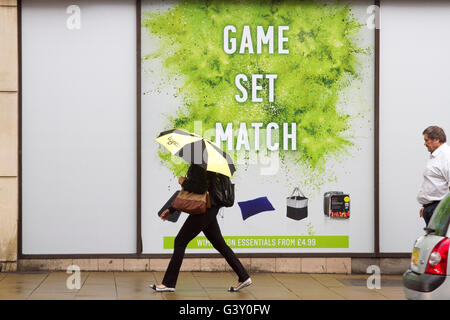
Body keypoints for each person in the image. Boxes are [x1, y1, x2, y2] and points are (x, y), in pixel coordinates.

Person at [151, 164, 251, 292]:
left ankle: (168, 283)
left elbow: (199, 188)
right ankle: (244, 276)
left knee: (180, 241)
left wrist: (183, 181)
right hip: (210, 209)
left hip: (204, 210)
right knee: (220, 244)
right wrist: (171, 209)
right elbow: (199, 189)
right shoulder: (212, 164)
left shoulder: (200, 164)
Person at [417, 126, 450, 226]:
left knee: (438, 241)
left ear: (436, 139)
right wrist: (427, 205)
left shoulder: (446, 156)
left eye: (427, 140)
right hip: (434, 208)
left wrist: (439, 209)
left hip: (439, 209)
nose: (425, 144)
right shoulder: (437, 156)